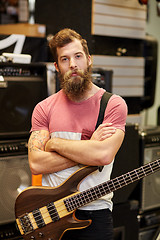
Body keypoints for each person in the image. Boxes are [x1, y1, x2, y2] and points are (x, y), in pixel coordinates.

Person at [28, 28, 128, 240]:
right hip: (52, 214)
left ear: (89, 60)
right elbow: (37, 163)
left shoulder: (112, 105)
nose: (72, 64)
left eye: (78, 56)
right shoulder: (44, 108)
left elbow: (102, 156)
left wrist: (54, 143)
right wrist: (88, 148)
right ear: (57, 67)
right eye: (64, 59)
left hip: (96, 215)